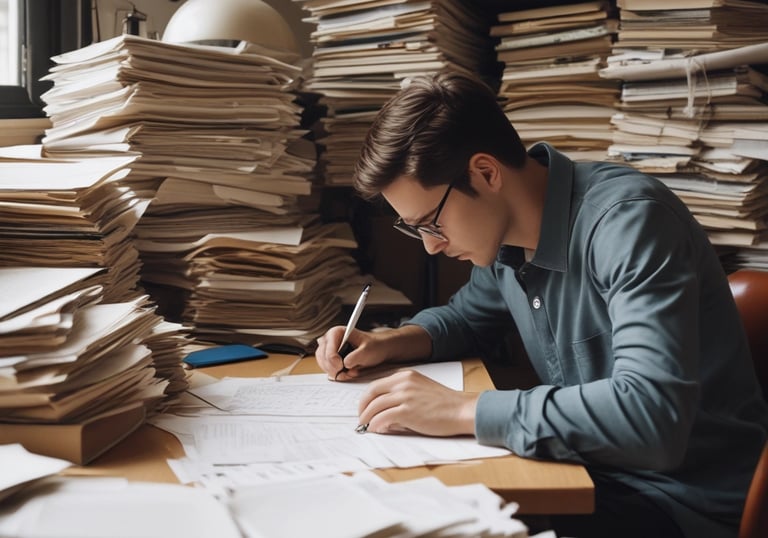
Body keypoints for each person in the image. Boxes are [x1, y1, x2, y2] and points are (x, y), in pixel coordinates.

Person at [314, 72, 768, 538]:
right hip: (587, 474)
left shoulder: (629, 223)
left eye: (431, 223)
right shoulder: (505, 239)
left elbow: (651, 415)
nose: (431, 248)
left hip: (682, 503)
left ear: (486, 173)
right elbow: (467, 318)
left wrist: (460, 410)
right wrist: (387, 342)